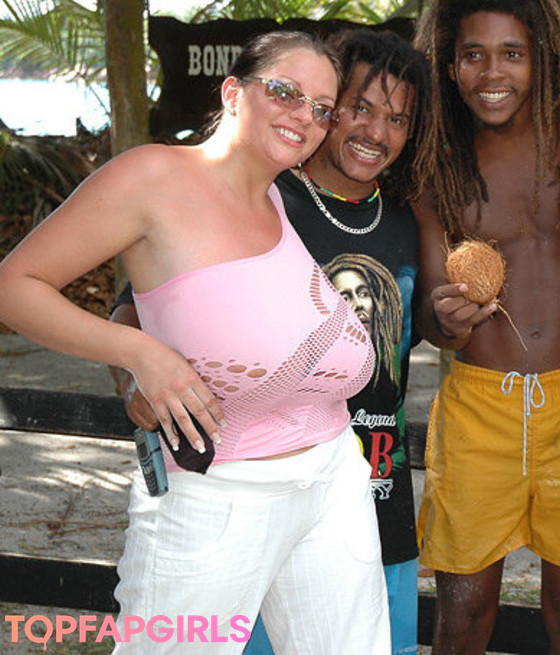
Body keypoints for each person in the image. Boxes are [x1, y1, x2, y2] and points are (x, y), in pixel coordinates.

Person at [0, 31, 391, 653]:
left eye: (321, 109)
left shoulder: (274, 196)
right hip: (218, 493)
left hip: (332, 475)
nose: (304, 116)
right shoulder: (154, 175)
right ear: (233, 92)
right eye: (285, 92)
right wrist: (139, 354)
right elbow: (15, 286)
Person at [109, 29, 428, 655]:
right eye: (358, 108)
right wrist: (135, 379)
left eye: (397, 119)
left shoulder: (404, 217)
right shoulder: (261, 192)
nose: (375, 131)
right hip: (238, 484)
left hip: (364, 486)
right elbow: (138, 303)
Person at [410, 1, 560, 652]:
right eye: (473, 54)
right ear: (448, 65)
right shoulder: (435, 163)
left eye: (513, 53)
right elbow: (433, 318)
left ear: (546, 58)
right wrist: (447, 320)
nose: (492, 72)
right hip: (480, 405)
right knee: (463, 614)